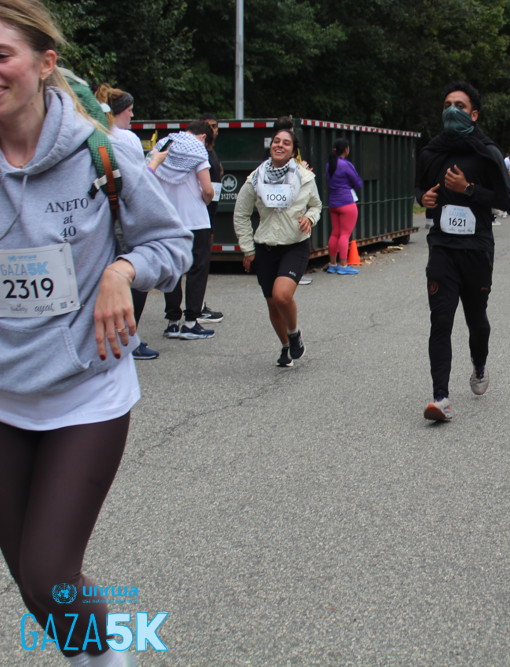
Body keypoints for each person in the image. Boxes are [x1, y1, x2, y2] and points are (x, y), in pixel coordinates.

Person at [0, 2, 192, 665]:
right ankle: (93, 657)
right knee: (33, 585)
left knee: (49, 572)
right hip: (4, 395)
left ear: (44, 63)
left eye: (2, 55)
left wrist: (122, 269)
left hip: (86, 391)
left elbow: (172, 243)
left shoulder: (99, 153)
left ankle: (110, 656)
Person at [415, 81, 510, 422]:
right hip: (443, 247)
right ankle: (440, 398)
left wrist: (468, 188)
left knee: (476, 320)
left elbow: (507, 201)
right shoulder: (431, 152)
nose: (452, 110)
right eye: (447, 105)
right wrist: (423, 198)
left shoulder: (487, 152)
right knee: (440, 320)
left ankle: (479, 363)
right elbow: (419, 188)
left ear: (474, 114)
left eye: (459, 105)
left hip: (477, 249)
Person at [233, 128, 321, 367]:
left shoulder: (305, 177)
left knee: (282, 296)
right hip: (265, 247)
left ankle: (294, 333)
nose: (280, 145)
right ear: (271, 146)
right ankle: (285, 347)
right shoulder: (255, 178)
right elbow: (241, 214)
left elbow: (316, 205)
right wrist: (248, 248)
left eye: (286, 143)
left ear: (293, 151)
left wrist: (310, 218)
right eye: (276, 141)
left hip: (295, 245)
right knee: (272, 303)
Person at [94, 83, 160, 361]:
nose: (132, 115)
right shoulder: (126, 139)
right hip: (124, 216)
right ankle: (129, 340)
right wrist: (156, 160)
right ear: (118, 111)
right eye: (130, 110)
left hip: (98, 221)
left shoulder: (93, 134)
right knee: (135, 279)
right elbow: (140, 184)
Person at [149, 120, 217, 341]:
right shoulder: (197, 150)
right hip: (195, 219)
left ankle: (172, 322)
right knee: (197, 269)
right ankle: (191, 322)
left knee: (173, 270)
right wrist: (206, 200)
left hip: (169, 219)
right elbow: (207, 189)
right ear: (204, 137)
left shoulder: (164, 144)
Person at [197, 113, 225, 323]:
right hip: (200, 215)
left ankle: (199, 304)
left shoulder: (211, 151)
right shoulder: (198, 153)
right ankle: (194, 310)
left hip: (210, 214)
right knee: (197, 264)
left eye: (214, 126)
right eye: (207, 126)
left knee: (204, 262)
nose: (211, 130)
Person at [324, 137, 363, 275]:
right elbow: (357, 183)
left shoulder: (329, 164)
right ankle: (343, 265)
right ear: (346, 149)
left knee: (335, 233)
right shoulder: (346, 165)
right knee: (345, 235)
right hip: (346, 202)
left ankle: (332, 264)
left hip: (333, 203)